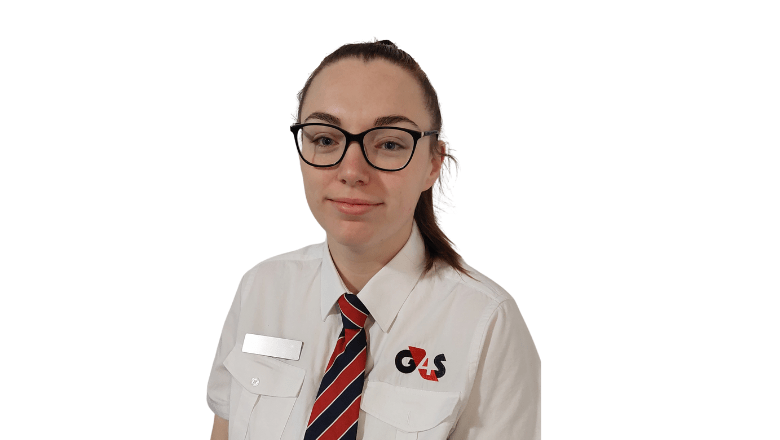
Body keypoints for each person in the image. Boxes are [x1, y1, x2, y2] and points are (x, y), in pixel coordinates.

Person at [206, 40, 540, 440]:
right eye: (326, 139)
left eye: (389, 143)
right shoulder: (261, 289)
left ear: (433, 163)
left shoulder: (487, 324)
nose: (351, 171)